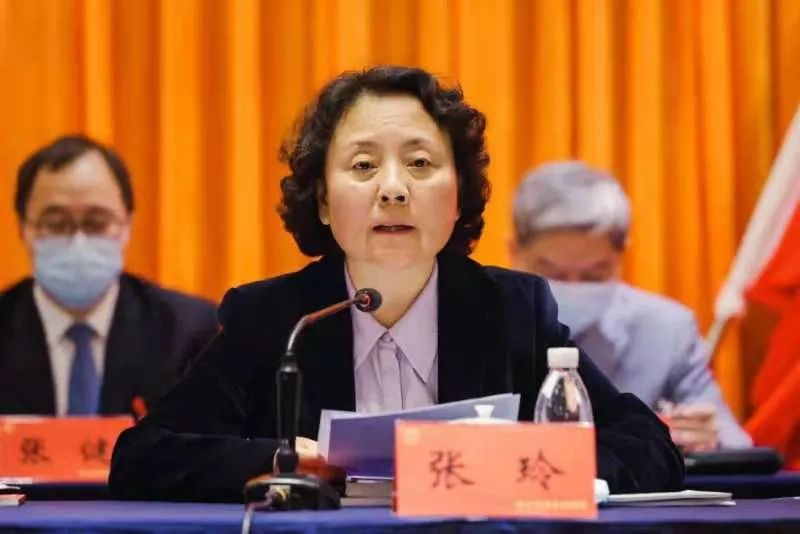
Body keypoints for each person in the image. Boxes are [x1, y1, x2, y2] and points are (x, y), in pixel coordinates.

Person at [109, 66, 683, 502]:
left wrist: (516, 464)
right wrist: (279, 460)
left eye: (420, 164)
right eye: (363, 166)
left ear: (458, 196)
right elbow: (142, 457)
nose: (393, 189)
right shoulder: (277, 320)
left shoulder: (511, 310)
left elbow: (647, 444)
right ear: (324, 201)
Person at [509, 161, 752, 451]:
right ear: (515, 252)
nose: (573, 287)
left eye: (594, 275)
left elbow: (734, 442)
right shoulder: (474, 322)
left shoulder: (668, 330)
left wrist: (709, 438)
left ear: (621, 256)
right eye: (553, 274)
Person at [0, 135, 218, 416]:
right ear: (23, 228)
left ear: (127, 225)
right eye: (56, 223)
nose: (78, 241)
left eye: (97, 222)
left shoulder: (190, 335)